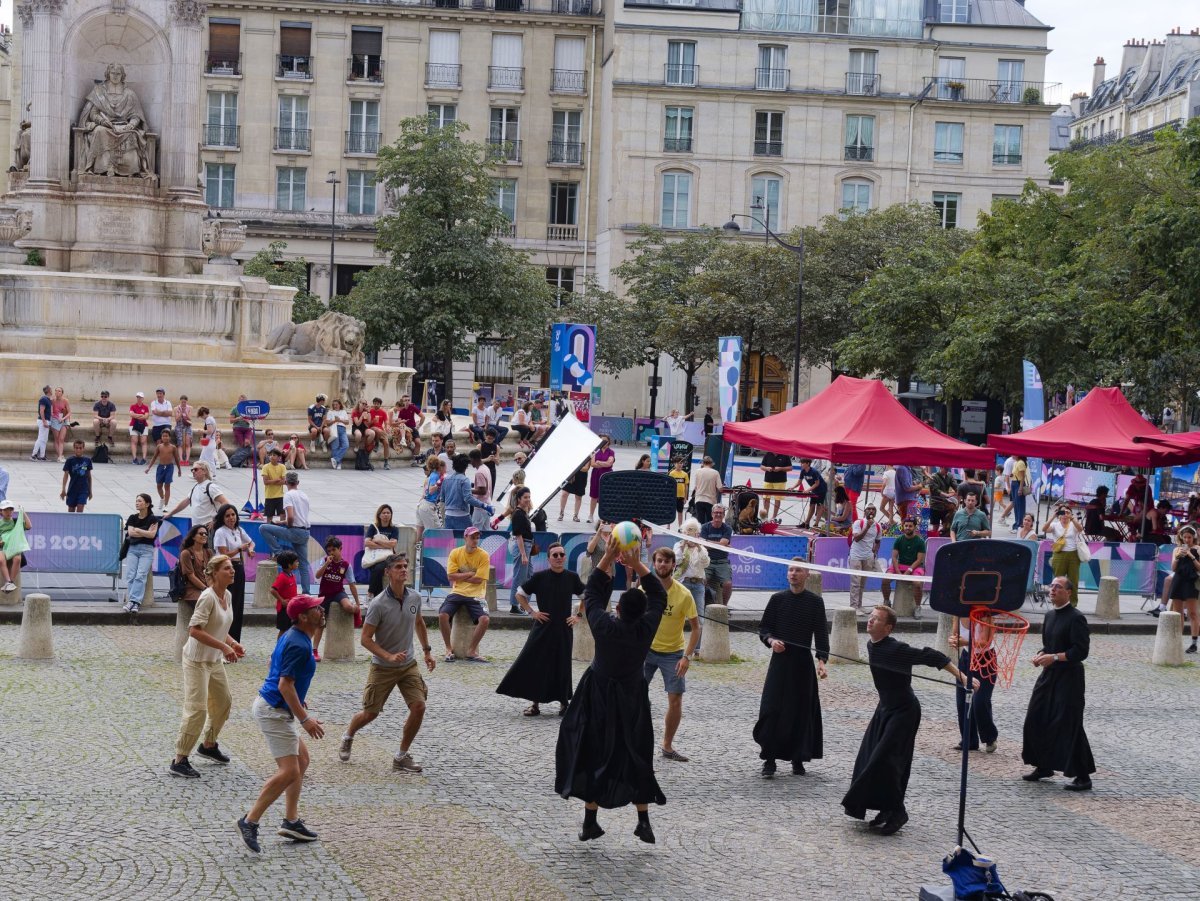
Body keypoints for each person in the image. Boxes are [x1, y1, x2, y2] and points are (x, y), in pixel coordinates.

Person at [555, 535, 666, 844]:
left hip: (598, 696)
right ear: (642, 612)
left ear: (618, 608)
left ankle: (590, 821)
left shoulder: (605, 624)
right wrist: (636, 564)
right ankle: (643, 821)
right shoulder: (647, 627)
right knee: (636, 753)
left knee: (592, 752)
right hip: (632, 698)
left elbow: (591, 594)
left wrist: (608, 558)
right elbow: (659, 596)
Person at [841, 605, 970, 835]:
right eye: (870, 617)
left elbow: (932, 656)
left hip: (904, 711)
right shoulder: (872, 644)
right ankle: (886, 808)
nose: (870, 621)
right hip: (885, 709)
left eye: (876, 619)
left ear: (888, 628)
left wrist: (961, 676)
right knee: (868, 758)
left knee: (888, 762)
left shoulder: (896, 648)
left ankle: (898, 812)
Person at [237, 594, 326, 854]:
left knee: (301, 762)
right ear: (303, 617)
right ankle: (249, 821)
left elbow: (275, 667)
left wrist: (298, 703)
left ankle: (291, 821)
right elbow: (284, 684)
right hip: (273, 710)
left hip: (277, 707)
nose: (321, 611)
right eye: (316, 608)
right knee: (289, 771)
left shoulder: (294, 636)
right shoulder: (298, 643)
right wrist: (305, 719)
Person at [339, 554, 437, 772]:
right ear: (388, 572)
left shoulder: (415, 598)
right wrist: (387, 656)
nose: (404, 570)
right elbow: (365, 639)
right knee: (369, 713)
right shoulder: (378, 604)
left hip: (408, 664)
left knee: (419, 706)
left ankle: (401, 756)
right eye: (399, 567)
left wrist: (427, 651)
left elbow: (419, 622)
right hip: (383, 667)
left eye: (406, 566)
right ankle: (348, 736)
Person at [170, 554, 245, 779]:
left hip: (213, 660)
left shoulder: (228, 595)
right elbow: (195, 630)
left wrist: (232, 643)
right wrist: (224, 647)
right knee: (197, 709)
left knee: (223, 702)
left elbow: (220, 625)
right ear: (213, 574)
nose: (232, 571)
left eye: (232, 568)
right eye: (227, 568)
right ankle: (179, 759)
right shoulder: (207, 597)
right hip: (196, 660)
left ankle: (208, 745)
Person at [1021, 576, 1096, 791]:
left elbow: (1080, 652)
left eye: (1058, 587)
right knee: (1035, 717)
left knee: (1067, 724)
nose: (1052, 590)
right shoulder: (1050, 615)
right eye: (1051, 586)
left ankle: (1083, 776)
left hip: (1070, 678)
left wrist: (1053, 657)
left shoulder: (1076, 618)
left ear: (1068, 592)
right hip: (1049, 675)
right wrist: (1041, 655)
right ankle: (1043, 766)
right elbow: (1048, 645)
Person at [755, 558, 828, 777]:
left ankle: (799, 758)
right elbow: (764, 628)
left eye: (798, 570)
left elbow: (821, 634)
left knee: (802, 710)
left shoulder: (815, 602)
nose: (793, 573)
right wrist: (771, 641)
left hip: (802, 663)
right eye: (791, 570)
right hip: (780, 661)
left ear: (807, 575)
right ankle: (769, 759)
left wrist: (822, 661)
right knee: (771, 708)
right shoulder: (777, 600)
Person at [499, 541, 584, 716]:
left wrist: (578, 616)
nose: (559, 558)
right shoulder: (540, 576)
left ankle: (564, 704)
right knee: (536, 664)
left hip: (563, 629)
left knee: (562, 665)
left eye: (562, 554)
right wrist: (532, 612)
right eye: (555, 555)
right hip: (543, 628)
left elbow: (587, 597)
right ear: (549, 559)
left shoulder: (572, 577)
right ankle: (535, 704)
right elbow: (520, 593)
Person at [642, 547, 700, 762]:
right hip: (645, 650)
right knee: (634, 695)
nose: (663, 565)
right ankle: (635, 738)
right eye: (659, 561)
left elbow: (696, 628)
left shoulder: (684, 594)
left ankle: (667, 746)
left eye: (667, 561)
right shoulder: (643, 590)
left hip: (673, 653)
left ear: (673, 565)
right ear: (653, 564)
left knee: (675, 700)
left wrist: (687, 656)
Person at [438, 526, 491, 662]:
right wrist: (469, 574)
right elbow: (450, 576)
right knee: (443, 615)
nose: (475, 540)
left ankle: (471, 651)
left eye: (477, 537)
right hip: (457, 591)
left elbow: (479, 579)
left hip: (476, 593)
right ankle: (449, 649)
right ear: (465, 538)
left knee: (484, 619)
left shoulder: (484, 555)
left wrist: (460, 575)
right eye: (472, 537)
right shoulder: (455, 553)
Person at [949, 612, 998, 754]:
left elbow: (984, 642)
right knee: (962, 700)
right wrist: (953, 640)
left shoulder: (984, 614)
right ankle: (969, 740)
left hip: (986, 659)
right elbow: (956, 635)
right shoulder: (957, 613)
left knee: (980, 701)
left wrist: (964, 642)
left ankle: (990, 737)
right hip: (966, 657)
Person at [260, 471, 314, 593]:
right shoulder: (304, 495)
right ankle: (306, 592)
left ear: (285, 482)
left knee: (263, 528)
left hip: (294, 531)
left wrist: (287, 524)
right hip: (305, 532)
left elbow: (290, 517)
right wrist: (282, 523)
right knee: (303, 565)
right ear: (298, 483)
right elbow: (300, 516)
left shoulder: (288, 495)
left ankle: (278, 553)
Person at [312, 537, 362, 660]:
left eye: (334, 550)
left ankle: (357, 612)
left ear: (340, 549)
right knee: (320, 623)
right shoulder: (325, 561)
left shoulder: (346, 565)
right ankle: (314, 651)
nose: (331, 553)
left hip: (338, 592)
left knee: (348, 607)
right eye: (329, 551)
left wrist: (357, 603)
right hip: (324, 595)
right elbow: (317, 575)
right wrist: (326, 564)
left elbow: (352, 584)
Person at [213, 504, 255, 642]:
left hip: (238, 567)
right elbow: (224, 553)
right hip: (226, 567)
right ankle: (223, 638)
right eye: (227, 516)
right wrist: (240, 549)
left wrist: (249, 549)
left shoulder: (239, 530)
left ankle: (235, 640)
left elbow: (251, 543)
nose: (231, 518)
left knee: (238, 603)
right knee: (227, 602)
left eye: (233, 515)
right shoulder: (220, 532)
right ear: (222, 518)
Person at [166, 461, 231, 533]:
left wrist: (216, 520)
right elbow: (185, 502)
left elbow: (225, 503)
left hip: (208, 527)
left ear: (204, 471)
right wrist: (170, 513)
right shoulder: (196, 487)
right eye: (192, 470)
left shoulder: (211, 487)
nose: (193, 471)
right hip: (197, 528)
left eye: (196, 469)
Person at [122, 493, 159, 613]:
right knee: (130, 575)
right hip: (133, 548)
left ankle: (134, 601)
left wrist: (138, 530)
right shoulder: (133, 517)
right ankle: (133, 601)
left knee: (141, 575)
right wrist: (144, 531)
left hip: (147, 550)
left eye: (140, 501)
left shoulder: (153, 519)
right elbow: (131, 533)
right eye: (136, 501)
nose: (137, 503)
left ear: (147, 504)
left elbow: (152, 535)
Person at [881, 517, 926, 616]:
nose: (908, 528)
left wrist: (909, 571)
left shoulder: (920, 541)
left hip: (916, 567)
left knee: (917, 583)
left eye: (910, 526)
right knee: (885, 580)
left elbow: (919, 560)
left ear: (914, 527)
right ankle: (887, 601)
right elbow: (894, 557)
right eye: (906, 526)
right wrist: (897, 572)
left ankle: (918, 607)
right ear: (903, 527)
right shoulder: (899, 540)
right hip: (900, 565)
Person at [673, 519, 709, 642]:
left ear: (697, 533)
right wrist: (683, 545)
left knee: (700, 617)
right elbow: (676, 561)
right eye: (688, 532)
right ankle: (676, 643)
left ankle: (697, 648)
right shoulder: (678, 545)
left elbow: (706, 563)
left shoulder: (702, 547)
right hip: (683, 583)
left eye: (693, 532)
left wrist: (698, 545)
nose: (690, 534)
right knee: (678, 614)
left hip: (698, 584)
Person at [1168, 526, 1200, 654]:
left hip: (1191, 581)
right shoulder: (1176, 549)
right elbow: (1173, 568)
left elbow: (1199, 568)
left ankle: (1194, 643)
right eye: (1185, 537)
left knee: (1192, 613)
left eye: (1189, 537)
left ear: (1194, 538)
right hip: (1179, 580)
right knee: (1178, 613)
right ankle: (1177, 640)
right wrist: (1177, 557)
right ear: (1181, 537)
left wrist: (1191, 555)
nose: (1187, 540)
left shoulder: (1198, 549)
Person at [1042, 507, 1082, 606]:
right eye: (1062, 512)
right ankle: (1057, 602)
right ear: (1059, 515)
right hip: (1059, 554)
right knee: (1058, 582)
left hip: (1073, 554)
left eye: (1067, 512)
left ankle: (1072, 604)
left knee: (1073, 580)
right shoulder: (1055, 525)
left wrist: (1072, 518)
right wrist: (1053, 516)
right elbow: (1044, 529)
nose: (1064, 514)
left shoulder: (1073, 524)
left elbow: (1080, 529)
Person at [443, 454, 493, 531]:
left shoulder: (446, 479)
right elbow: (468, 498)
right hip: (462, 516)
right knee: (466, 540)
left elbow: (442, 498)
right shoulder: (465, 480)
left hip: (448, 515)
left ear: (453, 466)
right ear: (466, 467)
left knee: (450, 541)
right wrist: (484, 506)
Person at [848, 504, 882, 614]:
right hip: (856, 556)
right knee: (855, 583)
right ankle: (853, 606)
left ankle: (859, 605)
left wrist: (874, 552)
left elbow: (877, 541)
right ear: (865, 511)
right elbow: (857, 538)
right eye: (869, 509)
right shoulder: (858, 523)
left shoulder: (878, 526)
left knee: (862, 583)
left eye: (873, 509)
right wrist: (867, 527)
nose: (871, 511)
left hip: (868, 557)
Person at [508, 487, 536, 615]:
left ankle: (524, 604)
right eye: (525, 497)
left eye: (529, 497)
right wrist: (523, 554)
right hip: (523, 546)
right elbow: (518, 535)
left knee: (529, 575)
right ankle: (514, 605)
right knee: (519, 576)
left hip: (527, 545)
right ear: (519, 499)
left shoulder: (523, 512)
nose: (528, 499)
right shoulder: (518, 514)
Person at [364, 503, 400, 598]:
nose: (386, 515)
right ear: (379, 515)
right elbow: (367, 543)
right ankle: (378, 597)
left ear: (391, 515)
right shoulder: (373, 527)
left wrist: (378, 540)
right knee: (377, 569)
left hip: (387, 558)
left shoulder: (394, 529)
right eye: (383, 513)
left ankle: (371, 593)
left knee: (379, 568)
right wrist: (385, 545)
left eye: (388, 513)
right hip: (374, 556)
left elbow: (393, 544)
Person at [701, 504, 734, 605]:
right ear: (712, 514)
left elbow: (721, 544)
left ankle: (724, 607)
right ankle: (702, 605)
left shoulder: (727, 528)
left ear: (724, 515)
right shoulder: (704, 527)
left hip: (722, 562)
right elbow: (703, 545)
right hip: (707, 560)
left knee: (728, 584)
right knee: (702, 581)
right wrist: (721, 544)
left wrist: (707, 542)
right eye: (716, 512)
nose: (718, 514)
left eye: (720, 513)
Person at [145, 429, 182, 513]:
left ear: (169, 437)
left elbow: (176, 459)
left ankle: (166, 505)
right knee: (159, 486)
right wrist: (149, 467)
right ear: (161, 437)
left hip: (169, 467)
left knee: (167, 486)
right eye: (163, 436)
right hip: (161, 467)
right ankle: (162, 498)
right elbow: (154, 457)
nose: (165, 438)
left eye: (167, 436)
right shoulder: (159, 446)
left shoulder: (173, 447)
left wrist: (179, 470)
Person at [0, 500, 32, 592]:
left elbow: (29, 526)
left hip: (14, 547)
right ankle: (9, 581)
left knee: (17, 558)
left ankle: (10, 583)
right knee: (1, 560)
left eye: (10, 510)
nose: (8, 512)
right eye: (5, 510)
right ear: (1, 511)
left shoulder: (15, 522)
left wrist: (23, 512)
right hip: (2, 547)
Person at [178, 523, 212, 606]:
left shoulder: (208, 552)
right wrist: (205, 589)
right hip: (192, 590)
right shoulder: (186, 553)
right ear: (193, 537)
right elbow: (191, 576)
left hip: (207, 587)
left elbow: (213, 572)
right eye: (201, 533)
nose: (204, 535)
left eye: (206, 534)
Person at [270, 551, 300, 638]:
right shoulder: (282, 577)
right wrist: (282, 600)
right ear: (289, 565)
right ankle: (279, 648)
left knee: (291, 628)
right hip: (284, 609)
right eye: (296, 561)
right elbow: (272, 590)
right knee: (283, 630)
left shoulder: (292, 575)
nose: (298, 563)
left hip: (291, 607)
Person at [415, 457, 445, 543]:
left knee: (420, 531)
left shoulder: (431, 475)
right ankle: (429, 551)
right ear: (440, 467)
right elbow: (431, 490)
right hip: (428, 506)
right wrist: (440, 483)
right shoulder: (435, 476)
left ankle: (417, 550)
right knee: (433, 532)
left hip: (422, 504)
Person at [792, 459, 828, 529]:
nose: (801, 465)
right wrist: (792, 487)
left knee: (819, 506)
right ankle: (806, 522)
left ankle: (816, 524)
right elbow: (799, 482)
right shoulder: (803, 471)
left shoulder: (814, 471)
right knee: (811, 505)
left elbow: (817, 483)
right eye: (801, 463)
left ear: (808, 463)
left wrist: (808, 490)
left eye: (803, 463)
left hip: (821, 489)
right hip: (814, 489)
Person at [60, 439, 93, 512]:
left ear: (83, 449)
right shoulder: (70, 460)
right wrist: (63, 489)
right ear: (74, 449)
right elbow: (65, 475)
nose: (78, 450)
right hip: (72, 489)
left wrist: (90, 491)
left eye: (80, 448)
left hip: (83, 489)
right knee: (71, 512)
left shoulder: (87, 460)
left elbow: (89, 477)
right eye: (76, 448)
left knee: (80, 509)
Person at [587, 436, 615, 523]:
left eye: (606, 441)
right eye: (602, 440)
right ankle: (591, 515)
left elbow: (610, 463)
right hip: (596, 475)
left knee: (605, 496)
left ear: (609, 442)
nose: (604, 442)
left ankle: (604, 516)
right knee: (594, 496)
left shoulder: (611, 452)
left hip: (607, 476)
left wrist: (599, 462)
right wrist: (604, 463)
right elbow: (593, 464)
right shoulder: (595, 450)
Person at [690, 455, 722, 524]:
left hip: (699, 499)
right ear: (711, 463)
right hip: (710, 500)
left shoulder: (697, 471)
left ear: (703, 463)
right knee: (710, 521)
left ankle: (700, 534)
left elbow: (695, 487)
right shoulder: (715, 473)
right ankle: (709, 534)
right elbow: (720, 488)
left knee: (700, 521)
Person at [928, 466, 959, 535]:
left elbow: (955, 486)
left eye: (948, 469)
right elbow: (935, 490)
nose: (947, 470)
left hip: (946, 505)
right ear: (941, 467)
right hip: (935, 505)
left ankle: (943, 536)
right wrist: (946, 495)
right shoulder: (933, 477)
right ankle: (934, 539)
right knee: (935, 526)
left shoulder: (950, 475)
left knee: (946, 525)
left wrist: (959, 491)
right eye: (945, 468)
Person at [557, 457, 589, 523]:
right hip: (571, 476)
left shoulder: (588, 453)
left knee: (578, 497)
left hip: (581, 477)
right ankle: (561, 513)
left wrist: (575, 467)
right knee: (564, 494)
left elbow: (586, 469)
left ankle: (575, 515)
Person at [261, 448, 287, 524]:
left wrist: (271, 481)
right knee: (269, 516)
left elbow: (283, 481)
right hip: (269, 496)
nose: (272, 456)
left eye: (274, 455)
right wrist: (276, 480)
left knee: (283, 514)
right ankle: (268, 528)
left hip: (280, 495)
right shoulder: (265, 467)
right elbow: (265, 482)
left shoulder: (282, 467)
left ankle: (281, 527)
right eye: (271, 455)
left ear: (279, 457)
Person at [326, 398, 351, 470]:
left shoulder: (343, 412)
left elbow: (347, 422)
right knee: (335, 447)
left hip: (342, 429)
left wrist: (340, 420)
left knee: (346, 445)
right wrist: (334, 420)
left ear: (340, 404)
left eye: (336, 404)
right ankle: (338, 463)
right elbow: (327, 423)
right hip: (334, 429)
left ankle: (335, 459)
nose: (335, 406)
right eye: (334, 405)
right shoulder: (330, 412)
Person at [49, 386, 72, 464]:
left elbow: (69, 412)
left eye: (59, 391)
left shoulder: (65, 400)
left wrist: (63, 418)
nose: (57, 392)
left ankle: (60, 456)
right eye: (56, 391)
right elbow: (51, 412)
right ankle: (60, 456)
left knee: (61, 439)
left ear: (62, 393)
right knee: (56, 439)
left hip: (64, 420)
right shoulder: (52, 400)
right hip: (55, 419)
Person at [31, 385, 52, 462]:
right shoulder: (43, 399)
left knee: (44, 439)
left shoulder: (48, 399)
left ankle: (42, 456)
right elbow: (41, 411)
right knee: (40, 438)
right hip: (43, 420)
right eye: (51, 389)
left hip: (46, 420)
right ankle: (34, 455)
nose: (52, 391)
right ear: (49, 390)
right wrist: (44, 421)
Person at [129, 391, 150, 465]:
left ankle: (144, 459)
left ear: (142, 398)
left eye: (140, 397)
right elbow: (131, 414)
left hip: (143, 425)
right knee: (134, 441)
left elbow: (146, 416)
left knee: (143, 441)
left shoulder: (146, 407)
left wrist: (136, 415)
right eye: (137, 397)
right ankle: (134, 458)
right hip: (133, 424)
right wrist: (141, 415)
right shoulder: (132, 406)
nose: (139, 398)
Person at [173, 394, 194, 464]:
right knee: (180, 443)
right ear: (180, 401)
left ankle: (187, 459)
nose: (183, 403)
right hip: (179, 426)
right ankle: (181, 460)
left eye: (185, 402)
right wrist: (181, 413)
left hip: (188, 426)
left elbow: (190, 418)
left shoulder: (190, 408)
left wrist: (186, 413)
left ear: (186, 402)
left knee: (188, 443)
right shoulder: (176, 408)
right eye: (182, 402)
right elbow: (176, 420)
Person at [1011, 455, 1030, 527]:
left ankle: (1019, 524)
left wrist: (1020, 488)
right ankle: (1017, 523)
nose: (1012, 455)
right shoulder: (1016, 462)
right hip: (1014, 482)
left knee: (1020, 505)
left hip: (1018, 484)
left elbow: (1022, 477)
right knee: (1016, 505)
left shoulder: (1021, 463)